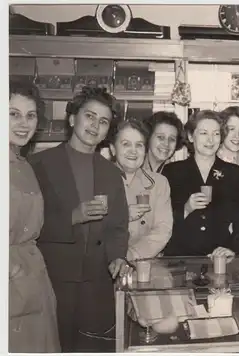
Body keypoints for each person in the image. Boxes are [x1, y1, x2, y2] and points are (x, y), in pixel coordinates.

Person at [28, 86, 130, 352]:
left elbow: (118, 227)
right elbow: (24, 226)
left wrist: (118, 257)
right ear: (73, 118)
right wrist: (73, 216)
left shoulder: (111, 173)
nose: (95, 125)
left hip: (98, 284)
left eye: (104, 121)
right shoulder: (38, 165)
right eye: (90, 116)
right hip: (53, 280)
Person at [9, 79, 60, 352]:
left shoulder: (23, 164)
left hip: (33, 277)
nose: (23, 123)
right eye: (13, 114)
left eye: (30, 115)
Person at [161, 110, 239, 257]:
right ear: (191, 136)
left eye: (216, 134)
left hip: (217, 259)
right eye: (204, 133)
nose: (210, 140)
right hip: (179, 258)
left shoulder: (234, 173)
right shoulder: (172, 171)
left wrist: (231, 249)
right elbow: (160, 220)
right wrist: (185, 209)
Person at [108, 119, 173, 260]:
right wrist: (122, 216)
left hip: (144, 262)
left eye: (139, 145)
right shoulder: (98, 179)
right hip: (104, 265)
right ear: (113, 149)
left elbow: (162, 230)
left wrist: (132, 254)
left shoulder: (159, 183)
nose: (133, 151)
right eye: (126, 144)